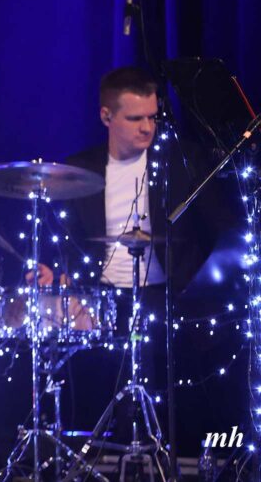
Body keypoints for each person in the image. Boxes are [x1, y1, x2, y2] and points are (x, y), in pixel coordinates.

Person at [49, 67, 236, 432]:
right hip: (103, 300)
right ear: (106, 116)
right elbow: (66, 240)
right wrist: (57, 274)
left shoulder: (184, 163)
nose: (147, 128)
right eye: (135, 119)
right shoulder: (78, 170)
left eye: (152, 117)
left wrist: (202, 289)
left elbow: (226, 230)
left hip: (172, 299)